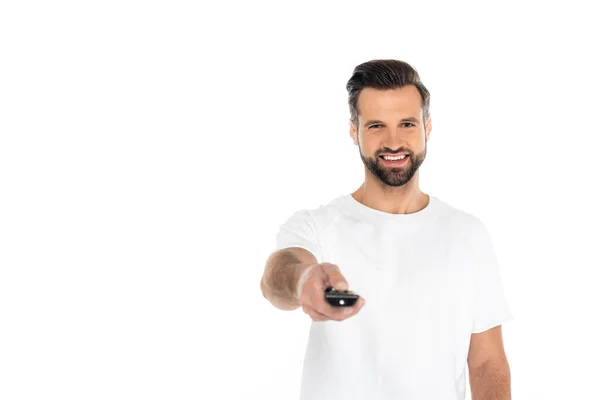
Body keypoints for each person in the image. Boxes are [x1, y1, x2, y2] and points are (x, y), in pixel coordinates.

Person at [260, 59, 514, 400]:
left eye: (407, 124)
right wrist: (303, 279)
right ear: (354, 131)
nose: (394, 142)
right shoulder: (317, 225)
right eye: (376, 126)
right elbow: (279, 275)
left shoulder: (468, 234)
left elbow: (486, 362)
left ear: (427, 126)